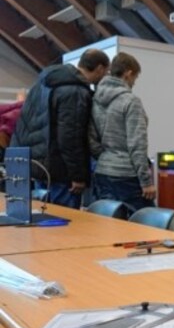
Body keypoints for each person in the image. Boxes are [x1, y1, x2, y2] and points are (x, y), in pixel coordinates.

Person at [10, 49, 109, 208]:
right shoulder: (75, 91)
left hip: (37, 166)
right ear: (99, 69)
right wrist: (77, 175)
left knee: (43, 221)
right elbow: (71, 137)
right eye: (106, 71)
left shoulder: (43, 83)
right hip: (60, 171)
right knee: (65, 224)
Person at [89, 52, 155, 213]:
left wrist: (107, 157)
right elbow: (137, 144)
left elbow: (91, 139)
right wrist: (146, 181)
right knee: (147, 226)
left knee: (109, 225)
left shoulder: (95, 99)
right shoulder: (131, 101)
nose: (133, 83)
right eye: (135, 78)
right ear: (128, 73)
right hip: (127, 174)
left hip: (103, 172)